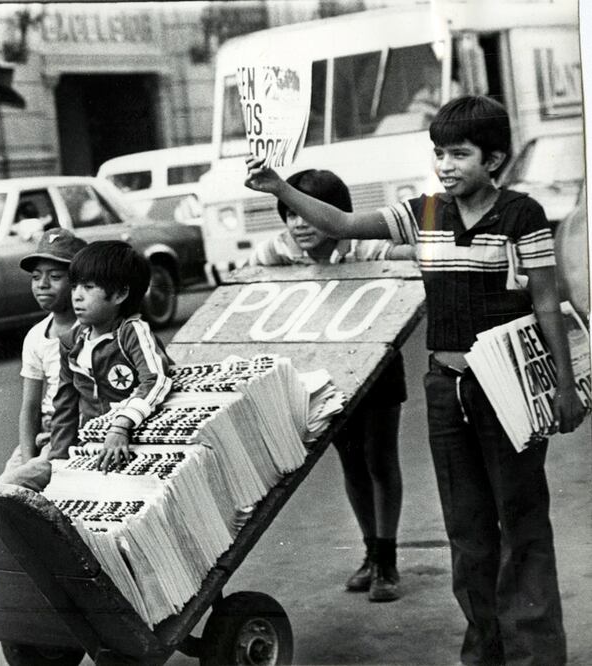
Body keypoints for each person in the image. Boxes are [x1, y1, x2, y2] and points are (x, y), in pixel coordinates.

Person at [245, 95, 586, 666]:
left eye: (460, 153)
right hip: (444, 389)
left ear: (495, 159)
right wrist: (281, 188)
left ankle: (535, 653)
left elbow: (549, 303)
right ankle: (485, 651)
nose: (446, 165)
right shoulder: (422, 212)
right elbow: (346, 223)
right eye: (439, 153)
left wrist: (566, 385)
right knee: (467, 530)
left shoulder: (523, 216)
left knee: (522, 520)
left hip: (508, 389)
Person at [248, 168, 410, 602]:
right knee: (352, 462)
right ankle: (371, 554)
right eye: (289, 214)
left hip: (377, 366)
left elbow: (411, 260)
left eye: (307, 213)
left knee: (380, 458)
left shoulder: (364, 246)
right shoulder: (274, 252)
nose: (299, 224)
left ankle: (388, 561)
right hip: (323, 373)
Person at [47, 240, 173, 472]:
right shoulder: (71, 342)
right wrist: (58, 463)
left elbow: (156, 379)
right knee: (23, 482)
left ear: (120, 294)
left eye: (88, 287)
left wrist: (121, 426)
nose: (77, 296)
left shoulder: (131, 332)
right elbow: (65, 407)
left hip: (131, 441)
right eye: (74, 286)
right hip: (89, 446)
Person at [0, 228, 88, 485]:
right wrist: (28, 459)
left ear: (78, 282)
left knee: (9, 487)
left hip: (69, 434)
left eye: (55, 276)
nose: (42, 284)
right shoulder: (36, 336)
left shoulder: (91, 331)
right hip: (42, 434)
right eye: (36, 277)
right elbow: (30, 407)